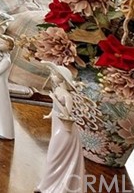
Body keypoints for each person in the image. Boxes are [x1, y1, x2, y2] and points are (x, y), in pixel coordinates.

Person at [36, 64, 85, 193]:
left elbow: (67, 114)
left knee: (55, 153)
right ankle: (45, 185)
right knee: (51, 155)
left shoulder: (67, 96)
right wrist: (49, 114)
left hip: (64, 128)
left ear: (63, 78)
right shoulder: (57, 91)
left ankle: (57, 186)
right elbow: (54, 109)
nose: (52, 76)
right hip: (56, 124)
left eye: (55, 75)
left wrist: (56, 101)